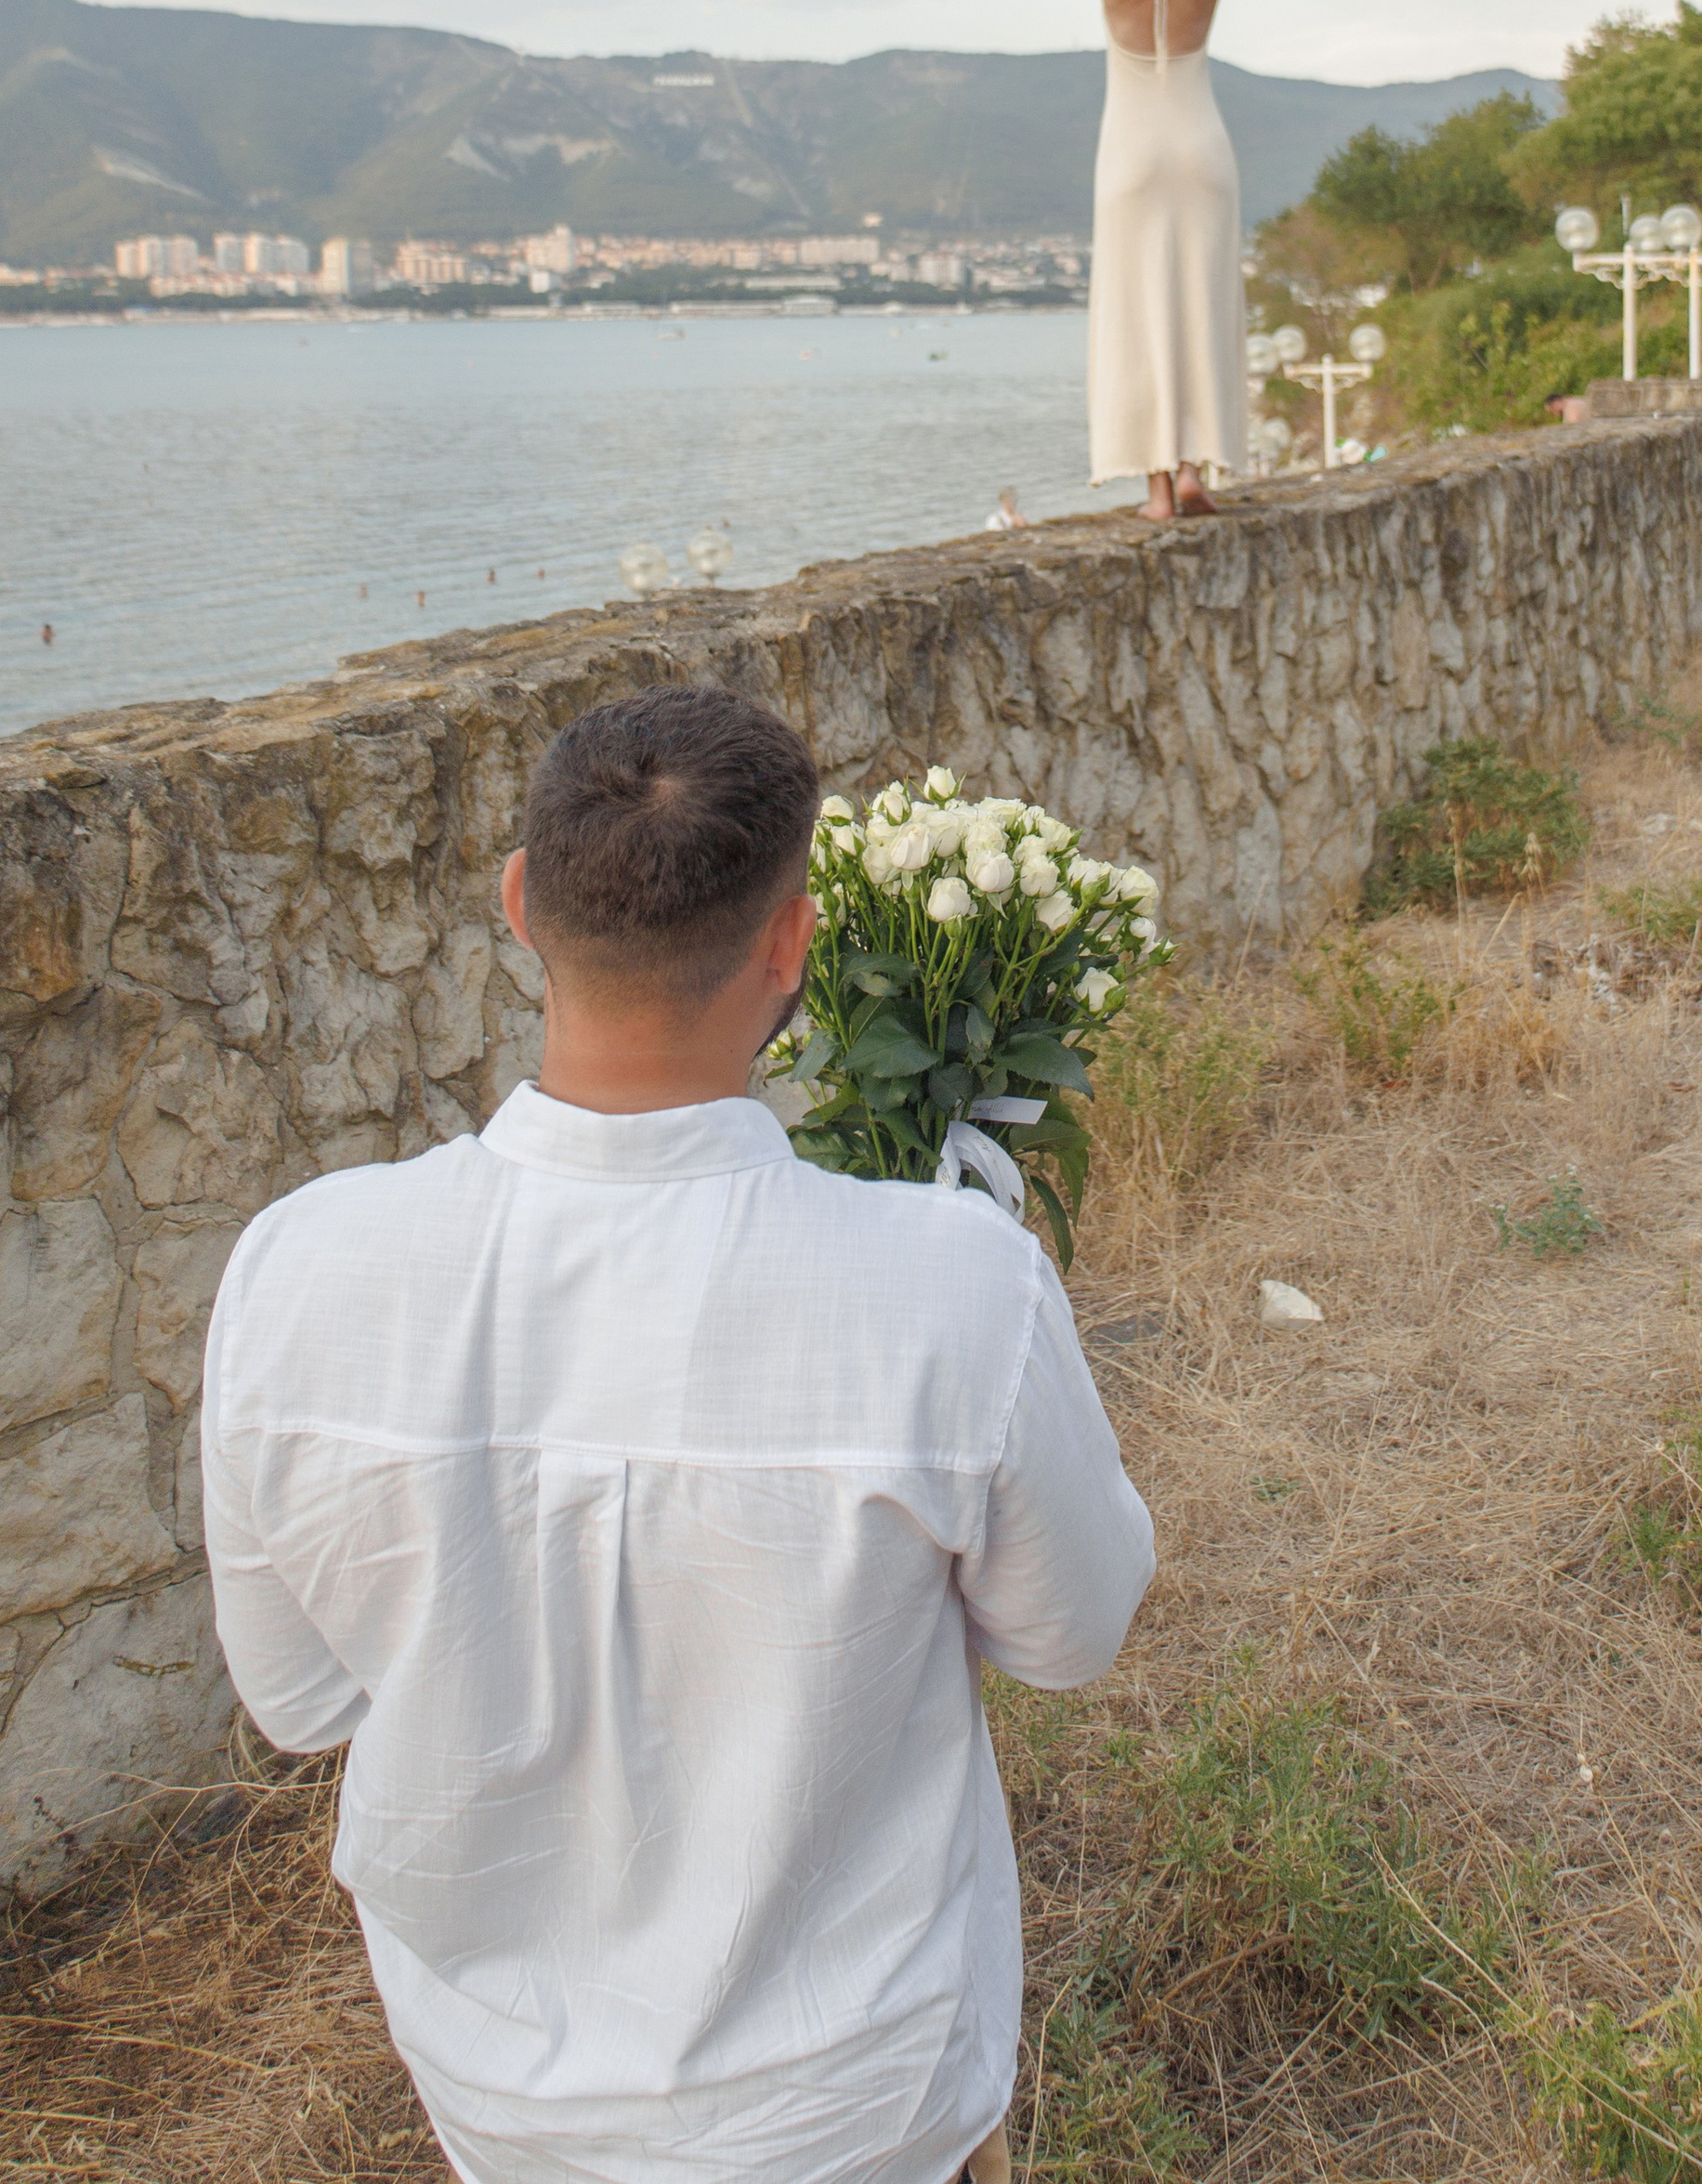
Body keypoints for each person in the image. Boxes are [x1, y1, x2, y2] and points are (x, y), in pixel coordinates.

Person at [202, 684, 1155, 2184]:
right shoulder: (957, 1289)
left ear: (520, 905)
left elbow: (299, 1699)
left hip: (500, 2099)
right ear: (791, 947)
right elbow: (1073, 1631)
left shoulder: (295, 1279)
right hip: (860, 2102)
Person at [1064, 0, 1247, 519]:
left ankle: (1157, 489)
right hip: (1203, 146)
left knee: (1138, 310)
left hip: (1131, 155)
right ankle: (1201, 467)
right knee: (1202, 300)